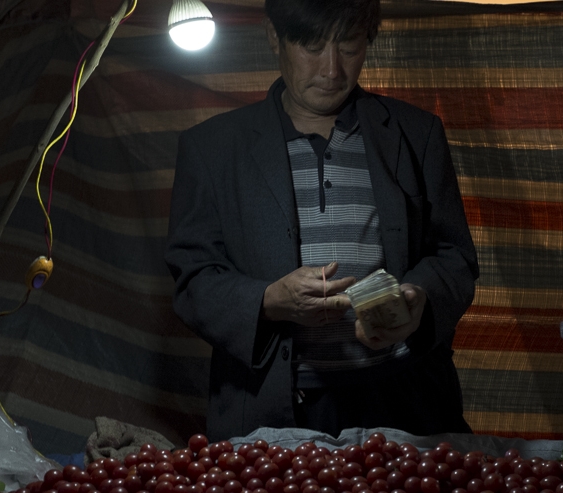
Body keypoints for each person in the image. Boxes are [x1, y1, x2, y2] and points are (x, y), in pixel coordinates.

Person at [165, 0, 478, 440]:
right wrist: (269, 300)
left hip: (402, 398)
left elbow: (454, 256)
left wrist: (419, 298)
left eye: (348, 47)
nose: (332, 70)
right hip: (269, 405)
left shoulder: (416, 133)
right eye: (312, 46)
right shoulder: (213, 148)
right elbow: (192, 277)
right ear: (274, 36)